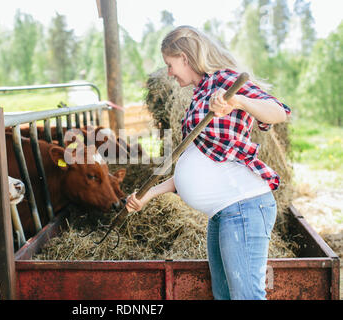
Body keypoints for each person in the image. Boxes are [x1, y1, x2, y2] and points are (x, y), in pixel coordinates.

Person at [125, 25, 291, 300]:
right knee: (224, 296)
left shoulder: (225, 81)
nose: (168, 73)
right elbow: (197, 163)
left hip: (243, 208)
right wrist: (148, 195)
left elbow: (277, 112)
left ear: (185, 57)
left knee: (246, 297)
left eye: (170, 64)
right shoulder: (202, 92)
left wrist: (237, 101)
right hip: (223, 213)